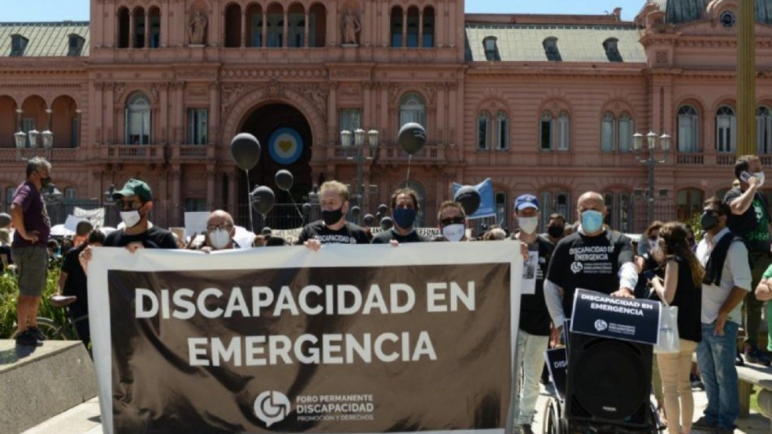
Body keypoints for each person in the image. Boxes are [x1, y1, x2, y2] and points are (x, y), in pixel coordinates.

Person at [693, 197, 750, 433]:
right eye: (704, 210)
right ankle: (712, 413)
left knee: (724, 373)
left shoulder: (735, 245)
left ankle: (726, 421)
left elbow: (743, 285)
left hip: (721, 322)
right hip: (701, 319)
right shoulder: (702, 243)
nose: (706, 215)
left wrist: (724, 313)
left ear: (724, 217)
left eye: (711, 212)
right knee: (707, 372)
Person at [544, 192, 638, 333]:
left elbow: (627, 266)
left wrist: (626, 288)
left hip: (613, 322)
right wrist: (559, 321)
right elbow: (550, 284)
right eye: (584, 210)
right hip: (576, 323)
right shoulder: (565, 245)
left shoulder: (619, 241)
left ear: (605, 211)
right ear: (578, 213)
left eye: (594, 209)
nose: (589, 213)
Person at [649, 222, 704, 434]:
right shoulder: (693, 262)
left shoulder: (673, 262)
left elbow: (668, 297)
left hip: (671, 331)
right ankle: (686, 431)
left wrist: (654, 281)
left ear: (665, 242)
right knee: (685, 386)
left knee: (669, 389)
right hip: (690, 331)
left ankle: (674, 431)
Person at [511, 195, 554, 434]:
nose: (528, 217)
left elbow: (555, 286)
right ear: (515, 214)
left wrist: (556, 321)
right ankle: (513, 418)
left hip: (539, 321)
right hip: (513, 320)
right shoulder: (507, 244)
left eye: (532, 213)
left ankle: (525, 418)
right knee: (512, 374)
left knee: (533, 376)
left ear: (538, 215)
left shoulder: (548, 247)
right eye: (523, 213)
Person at [724, 155, 772, 365]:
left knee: (755, 304)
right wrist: (751, 188)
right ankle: (731, 347)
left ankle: (752, 347)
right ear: (744, 174)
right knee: (736, 303)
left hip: (761, 257)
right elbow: (738, 209)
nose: (761, 172)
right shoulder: (734, 194)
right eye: (756, 169)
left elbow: (767, 223)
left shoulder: (761, 197)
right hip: (743, 254)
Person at [79, 179, 177, 274]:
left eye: (132, 204)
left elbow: (175, 280)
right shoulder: (111, 240)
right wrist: (87, 266)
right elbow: (104, 282)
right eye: (121, 204)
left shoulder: (164, 239)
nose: (126, 208)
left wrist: (147, 255)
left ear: (147, 207)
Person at [11, 157, 53, 346]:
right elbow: (15, 208)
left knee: (35, 291)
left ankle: (32, 327)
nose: (48, 177)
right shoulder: (27, 189)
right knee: (27, 291)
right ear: (34, 173)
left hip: (36, 248)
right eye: (45, 173)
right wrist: (24, 233)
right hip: (29, 249)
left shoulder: (34, 192)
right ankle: (22, 331)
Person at [57, 227, 105, 349]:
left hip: (90, 298)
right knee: (83, 334)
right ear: (88, 243)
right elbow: (63, 275)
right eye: (93, 247)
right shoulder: (74, 253)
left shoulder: (101, 256)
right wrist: (58, 291)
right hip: (75, 299)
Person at [296, 181, 369, 249]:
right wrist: (307, 249)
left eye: (332, 202)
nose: (326, 207)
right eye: (323, 203)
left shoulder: (359, 235)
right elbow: (295, 258)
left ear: (345, 206)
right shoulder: (309, 231)